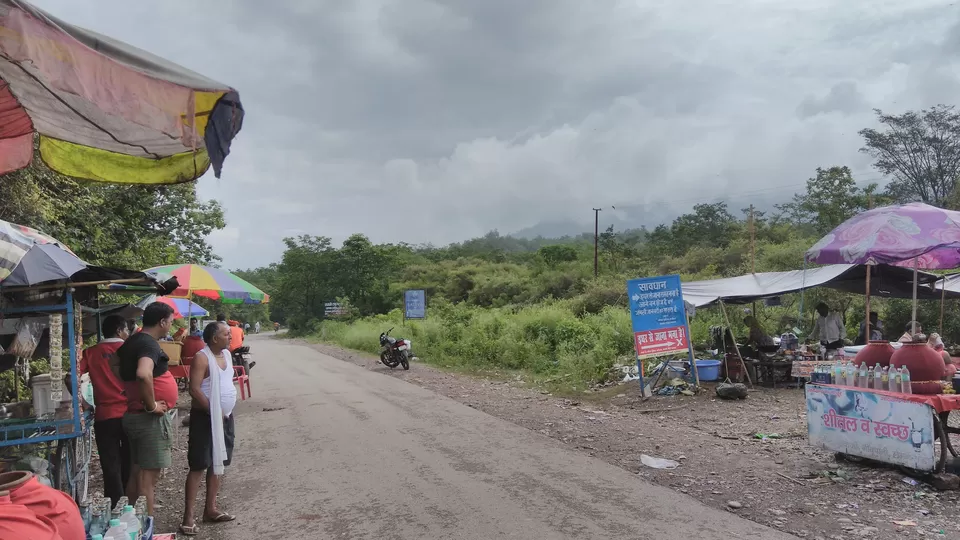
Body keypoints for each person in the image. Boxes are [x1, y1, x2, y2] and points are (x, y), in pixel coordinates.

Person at [114, 302, 179, 517]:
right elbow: (143, 374)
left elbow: (114, 364)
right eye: (170, 321)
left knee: (136, 473)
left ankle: (131, 523)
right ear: (162, 322)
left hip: (134, 416)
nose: (171, 325)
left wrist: (131, 390)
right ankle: (146, 529)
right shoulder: (148, 344)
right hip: (147, 420)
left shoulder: (133, 341)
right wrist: (151, 405)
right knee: (148, 480)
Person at [179, 322, 237, 535]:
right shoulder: (202, 357)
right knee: (198, 464)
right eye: (226, 334)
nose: (230, 337)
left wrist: (224, 412)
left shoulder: (228, 355)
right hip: (205, 418)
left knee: (218, 462)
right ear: (214, 338)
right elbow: (194, 390)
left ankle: (210, 509)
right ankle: (188, 517)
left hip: (225, 418)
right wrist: (214, 411)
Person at [79, 315, 132, 507]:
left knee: (110, 465)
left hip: (104, 415)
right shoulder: (129, 349)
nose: (128, 334)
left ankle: (114, 507)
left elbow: (71, 378)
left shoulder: (91, 352)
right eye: (126, 329)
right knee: (130, 461)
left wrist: (84, 402)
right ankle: (130, 505)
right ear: (119, 330)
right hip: (129, 413)